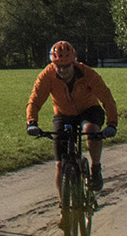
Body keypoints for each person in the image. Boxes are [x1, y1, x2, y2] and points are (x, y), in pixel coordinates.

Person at [25, 39, 118, 192]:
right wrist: (32, 122)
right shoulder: (47, 75)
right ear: (53, 64)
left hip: (89, 110)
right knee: (60, 166)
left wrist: (112, 124)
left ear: (74, 62)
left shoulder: (87, 73)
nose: (62, 70)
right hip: (63, 114)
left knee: (90, 129)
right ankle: (64, 210)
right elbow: (35, 100)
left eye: (66, 66)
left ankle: (95, 168)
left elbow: (107, 98)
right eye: (58, 66)